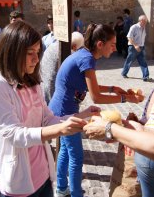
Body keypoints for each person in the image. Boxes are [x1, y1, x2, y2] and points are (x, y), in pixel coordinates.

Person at [0, 20, 100, 197]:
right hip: (20, 183)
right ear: (12, 52)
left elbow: (47, 118)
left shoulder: (32, 81)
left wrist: (82, 117)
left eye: (38, 52)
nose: (36, 59)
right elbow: (13, 134)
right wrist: (59, 129)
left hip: (44, 175)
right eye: (29, 53)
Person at [48, 23, 142, 197]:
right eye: (112, 45)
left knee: (65, 151)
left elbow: (89, 84)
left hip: (60, 108)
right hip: (65, 112)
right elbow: (96, 96)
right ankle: (75, 193)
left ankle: (61, 188)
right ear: (100, 44)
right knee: (75, 156)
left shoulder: (85, 54)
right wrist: (125, 98)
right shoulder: (87, 59)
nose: (114, 49)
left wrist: (113, 88)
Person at [41, 31, 84, 104]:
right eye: (78, 49)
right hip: (54, 96)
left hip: (43, 90)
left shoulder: (53, 45)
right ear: (74, 46)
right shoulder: (68, 54)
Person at [121, 15, 151, 82]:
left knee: (143, 62)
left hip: (141, 47)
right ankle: (124, 73)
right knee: (129, 61)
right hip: (133, 48)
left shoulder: (144, 27)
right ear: (140, 21)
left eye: (146, 21)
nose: (146, 22)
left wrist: (141, 46)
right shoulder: (134, 27)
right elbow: (129, 37)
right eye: (145, 21)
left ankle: (146, 76)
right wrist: (135, 45)